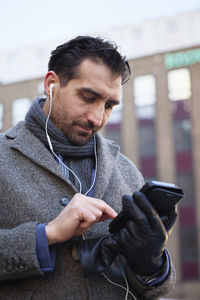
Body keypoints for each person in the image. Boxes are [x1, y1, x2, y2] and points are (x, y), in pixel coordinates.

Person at [0, 36, 176, 300]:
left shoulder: (127, 171)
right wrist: (46, 235)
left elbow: (157, 289)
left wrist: (151, 262)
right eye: (88, 97)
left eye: (108, 105)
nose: (97, 118)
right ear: (51, 84)